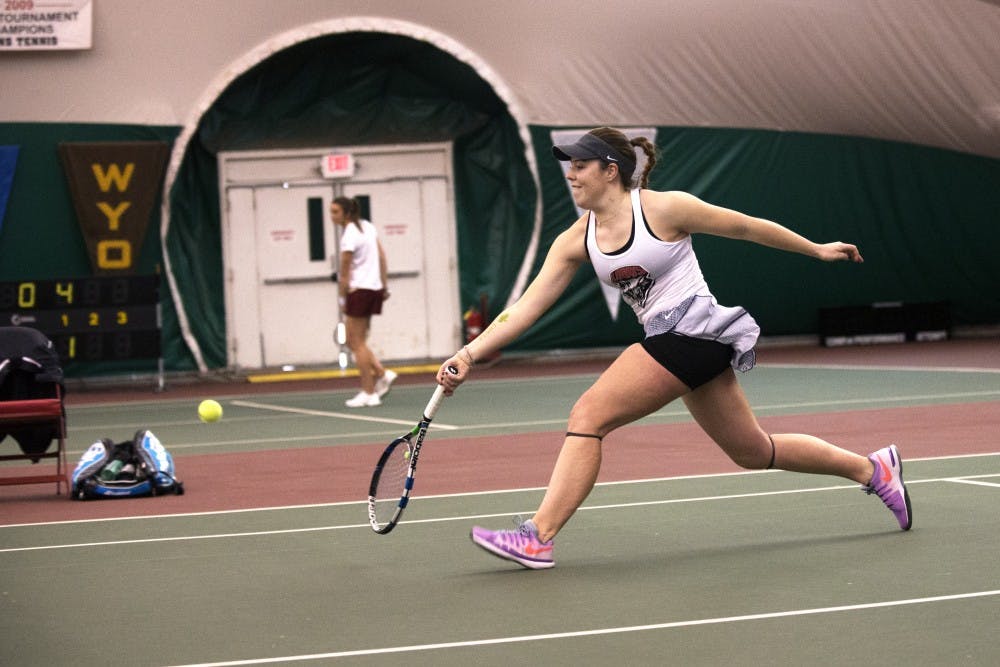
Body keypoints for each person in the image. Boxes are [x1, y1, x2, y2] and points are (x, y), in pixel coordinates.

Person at [436, 127, 912, 569]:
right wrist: (470, 354)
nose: (571, 173)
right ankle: (873, 471)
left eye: (580, 165)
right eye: (569, 165)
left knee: (588, 416)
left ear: (610, 170)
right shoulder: (573, 240)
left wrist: (815, 248)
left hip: (694, 332)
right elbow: (525, 308)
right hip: (675, 344)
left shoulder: (664, 209)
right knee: (751, 451)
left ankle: (537, 536)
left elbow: (745, 226)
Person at [330, 196, 396, 408]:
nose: (331, 216)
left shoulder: (349, 235)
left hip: (359, 291)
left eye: (335, 212)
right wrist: (383, 286)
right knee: (354, 340)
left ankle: (369, 392)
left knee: (356, 342)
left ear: (347, 214)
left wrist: (342, 297)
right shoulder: (367, 227)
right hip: (374, 290)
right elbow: (382, 257)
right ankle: (382, 373)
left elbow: (345, 271)